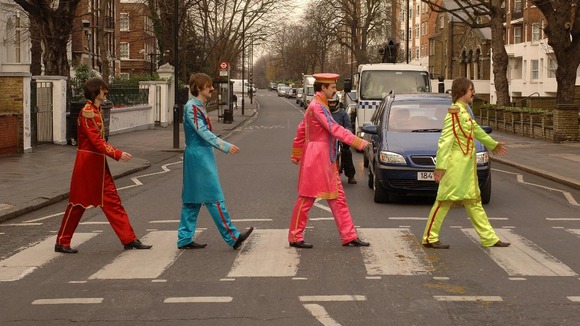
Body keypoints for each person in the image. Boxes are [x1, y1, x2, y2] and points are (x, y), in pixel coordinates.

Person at [55, 78, 152, 254]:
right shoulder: (87, 112)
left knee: (113, 202)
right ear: (96, 91)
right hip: (87, 166)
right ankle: (62, 241)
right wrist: (118, 154)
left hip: (99, 166)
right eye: (103, 89)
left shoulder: (96, 110)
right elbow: (96, 141)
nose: (106, 91)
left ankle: (129, 239)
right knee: (77, 204)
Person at [422, 77, 510, 249]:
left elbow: (476, 130)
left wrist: (493, 144)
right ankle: (429, 238)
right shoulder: (454, 114)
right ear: (462, 91)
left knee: (474, 202)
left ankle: (489, 238)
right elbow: (445, 141)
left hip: (466, 169)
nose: (474, 93)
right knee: (444, 201)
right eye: (471, 90)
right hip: (455, 167)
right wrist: (440, 167)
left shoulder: (464, 112)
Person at [288, 73, 371, 249]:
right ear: (323, 88)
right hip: (318, 157)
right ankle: (295, 236)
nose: (335, 90)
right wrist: (359, 142)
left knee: (338, 197)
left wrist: (296, 153)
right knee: (307, 197)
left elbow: (301, 129)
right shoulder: (317, 106)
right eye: (333, 87)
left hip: (324, 157)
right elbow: (334, 128)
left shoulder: (319, 105)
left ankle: (349, 236)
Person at [178, 73, 253, 250]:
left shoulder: (197, 106)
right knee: (214, 197)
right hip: (199, 155)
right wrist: (225, 146)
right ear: (198, 88)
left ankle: (184, 238)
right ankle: (232, 236)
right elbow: (202, 132)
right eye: (208, 86)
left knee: (192, 200)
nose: (212, 88)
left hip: (198, 153)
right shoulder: (192, 108)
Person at [329, 95, 357, 184]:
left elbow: (348, 125)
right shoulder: (324, 113)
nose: (332, 104)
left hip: (340, 138)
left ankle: (351, 175)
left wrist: (347, 132)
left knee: (347, 152)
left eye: (334, 102)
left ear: (337, 103)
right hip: (328, 139)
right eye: (330, 103)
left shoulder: (343, 113)